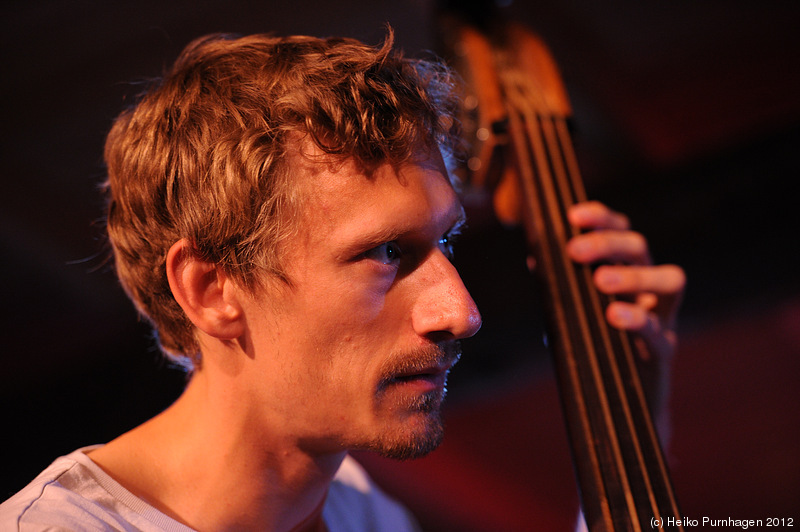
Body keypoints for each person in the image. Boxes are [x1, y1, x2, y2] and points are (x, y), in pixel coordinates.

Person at [0, 29, 685, 531]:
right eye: (385, 252)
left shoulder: (362, 512)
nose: (460, 311)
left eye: (444, 241)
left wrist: (634, 408)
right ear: (212, 291)